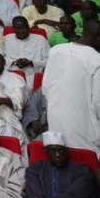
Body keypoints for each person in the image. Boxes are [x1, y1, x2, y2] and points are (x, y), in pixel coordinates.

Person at [41, 19, 100, 155]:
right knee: (86, 160)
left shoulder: (57, 50)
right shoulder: (96, 60)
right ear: (97, 37)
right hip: (83, 123)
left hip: (56, 117)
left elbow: (46, 87)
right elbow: (98, 101)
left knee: (60, 157)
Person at [21, 131, 99, 198]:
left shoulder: (83, 170)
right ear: (46, 151)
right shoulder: (35, 168)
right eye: (52, 151)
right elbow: (35, 197)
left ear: (67, 150)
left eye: (61, 150)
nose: (57, 155)